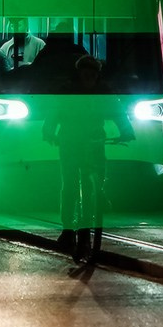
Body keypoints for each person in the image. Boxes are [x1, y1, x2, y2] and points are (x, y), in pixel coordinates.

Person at [42, 54, 134, 262]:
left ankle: (99, 192)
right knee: (70, 185)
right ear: (79, 73)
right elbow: (54, 113)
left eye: (93, 74)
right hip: (70, 142)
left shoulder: (104, 91)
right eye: (85, 73)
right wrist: (49, 131)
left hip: (93, 140)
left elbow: (118, 111)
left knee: (99, 170)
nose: (89, 78)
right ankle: (68, 230)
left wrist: (127, 130)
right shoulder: (67, 90)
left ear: (97, 75)